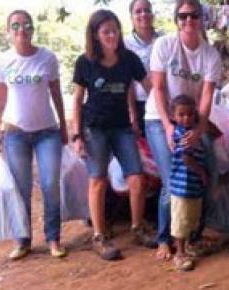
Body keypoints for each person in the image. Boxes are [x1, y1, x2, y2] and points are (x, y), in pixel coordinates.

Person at [146, 0, 223, 261]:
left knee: (209, 171)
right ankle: (164, 239)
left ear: (202, 19)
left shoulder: (210, 55)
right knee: (173, 177)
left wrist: (200, 129)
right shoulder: (164, 45)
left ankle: (193, 234)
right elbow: (157, 88)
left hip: (192, 120)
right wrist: (168, 127)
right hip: (160, 118)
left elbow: (207, 95)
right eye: (183, 16)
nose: (188, 21)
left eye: (193, 16)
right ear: (176, 19)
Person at [0, 9, 69, 260]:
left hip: (47, 132)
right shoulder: (3, 61)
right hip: (15, 133)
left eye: (26, 25)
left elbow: (56, 94)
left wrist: (64, 127)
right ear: (8, 32)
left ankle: (54, 239)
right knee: (21, 188)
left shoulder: (47, 58)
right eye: (15, 26)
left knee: (49, 185)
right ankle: (23, 241)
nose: (22, 30)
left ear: (33, 29)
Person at [71, 9, 149, 261]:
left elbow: (150, 86)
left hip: (122, 127)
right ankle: (99, 235)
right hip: (95, 128)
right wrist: (76, 135)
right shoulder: (85, 62)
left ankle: (138, 228)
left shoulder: (130, 60)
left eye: (115, 30)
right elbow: (77, 99)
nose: (112, 35)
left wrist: (166, 107)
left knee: (136, 177)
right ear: (95, 35)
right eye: (106, 31)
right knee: (98, 180)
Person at [167, 95, 209, 271]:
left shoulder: (193, 132)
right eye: (181, 114)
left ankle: (188, 247)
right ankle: (180, 252)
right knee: (181, 220)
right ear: (173, 116)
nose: (186, 118)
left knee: (190, 217)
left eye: (190, 114)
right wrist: (202, 173)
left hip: (191, 185)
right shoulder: (180, 134)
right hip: (182, 186)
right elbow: (186, 158)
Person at [124, 0, 161, 137]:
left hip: (164, 100)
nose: (143, 14)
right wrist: (132, 114)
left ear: (152, 14)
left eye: (147, 10)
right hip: (140, 103)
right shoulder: (125, 44)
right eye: (138, 11)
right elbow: (127, 82)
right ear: (131, 17)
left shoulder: (164, 40)